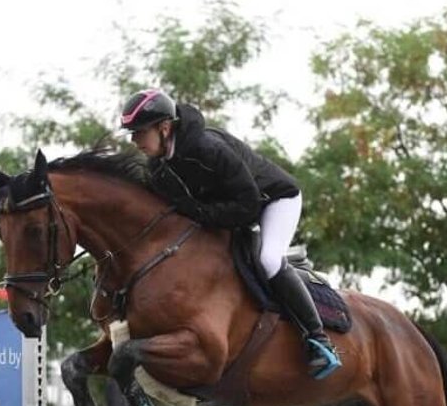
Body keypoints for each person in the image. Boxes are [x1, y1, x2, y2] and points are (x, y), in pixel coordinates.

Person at [119, 88, 341, 379]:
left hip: (273, 200)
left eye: (139, 132)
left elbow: (247, 206)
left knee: (269, 260)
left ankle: (318, 340)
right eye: (132, 134)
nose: (135, 141)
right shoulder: (159, 167)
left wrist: (200, 213)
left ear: (164, 127)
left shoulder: (208, 148)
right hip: (231, 210)